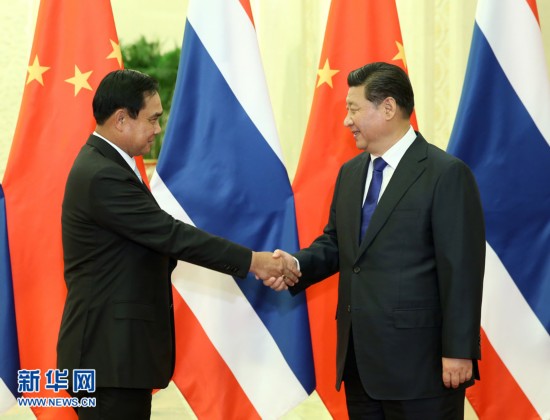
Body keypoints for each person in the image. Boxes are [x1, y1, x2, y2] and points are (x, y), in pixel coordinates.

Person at [57, 69, 298, 419]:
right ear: (121, 119)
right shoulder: (102, 174)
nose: (158, 129)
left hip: (116, 356)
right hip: (108, 358)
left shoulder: (108, 164)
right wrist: (254, 262)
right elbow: (171, 235)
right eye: (152, 119)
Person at [271, 62, 485, 419]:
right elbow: (337, 245)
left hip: (422, 368)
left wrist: (459, 350)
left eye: (353, 109)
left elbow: (461, 270)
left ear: (388, 108)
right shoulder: (351, 173)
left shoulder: (446, 174)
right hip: (360, 364)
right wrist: (293, 265)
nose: (346, 121)